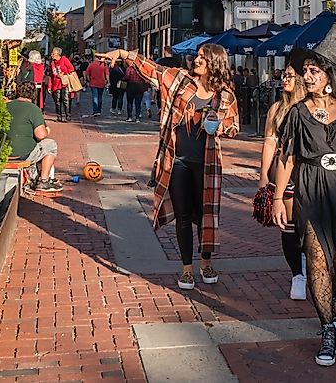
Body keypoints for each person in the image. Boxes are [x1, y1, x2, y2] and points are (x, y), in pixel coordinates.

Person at [271, 21, 336, 367]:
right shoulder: (298, 113)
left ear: (329, 75)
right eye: (305, 71)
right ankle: (328, 327)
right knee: (316, 258)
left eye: (314, 70)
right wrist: (276, 197)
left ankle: (325, 295)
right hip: (311, 190)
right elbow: (287, 155)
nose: (308, 76)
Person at [98, 44, 239, 290]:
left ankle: (205, 262)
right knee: (183, 216)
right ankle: (186, 269)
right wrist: (122, 55)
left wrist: (220, 126)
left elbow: (233, 127)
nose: (196, 60)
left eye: (203, 58)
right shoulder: (180, 80)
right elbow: (152, 70)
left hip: (206, 163)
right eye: (197, 56)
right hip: (176, 159)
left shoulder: (224, 95)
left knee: (205, 215)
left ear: (214, 63)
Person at [258, 65, 308, 300]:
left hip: (310, 171)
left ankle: (314, 267)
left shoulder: (312, 106)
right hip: (284, 171)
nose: (284, 79)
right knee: (289, 224)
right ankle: (297, 274)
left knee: (311, 225)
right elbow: (269, 141)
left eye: (289, 75)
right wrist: (264, 175)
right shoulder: (277, 109)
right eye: (283, 75)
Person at [6, 81, 63, 192]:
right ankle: (44, 181)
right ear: (33, 94)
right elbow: (40, 135)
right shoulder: (33, 109)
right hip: (23, 154)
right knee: (51, 145)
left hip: (3, 152)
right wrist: (47, 130)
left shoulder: (7, 106)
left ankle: (34, 176)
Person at [48, 47, 74, 122]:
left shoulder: (64, 59)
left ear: (58, 54)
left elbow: (71, 68)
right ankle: (59, 116)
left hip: (64, 82)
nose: (52, 54)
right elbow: (51, 75)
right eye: (52, 53)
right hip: (56, 84)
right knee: (57, 100)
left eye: (53, 53)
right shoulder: (52, 63)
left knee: (66, 99)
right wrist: (49, 86)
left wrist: (64, 73)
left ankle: (67, 115)